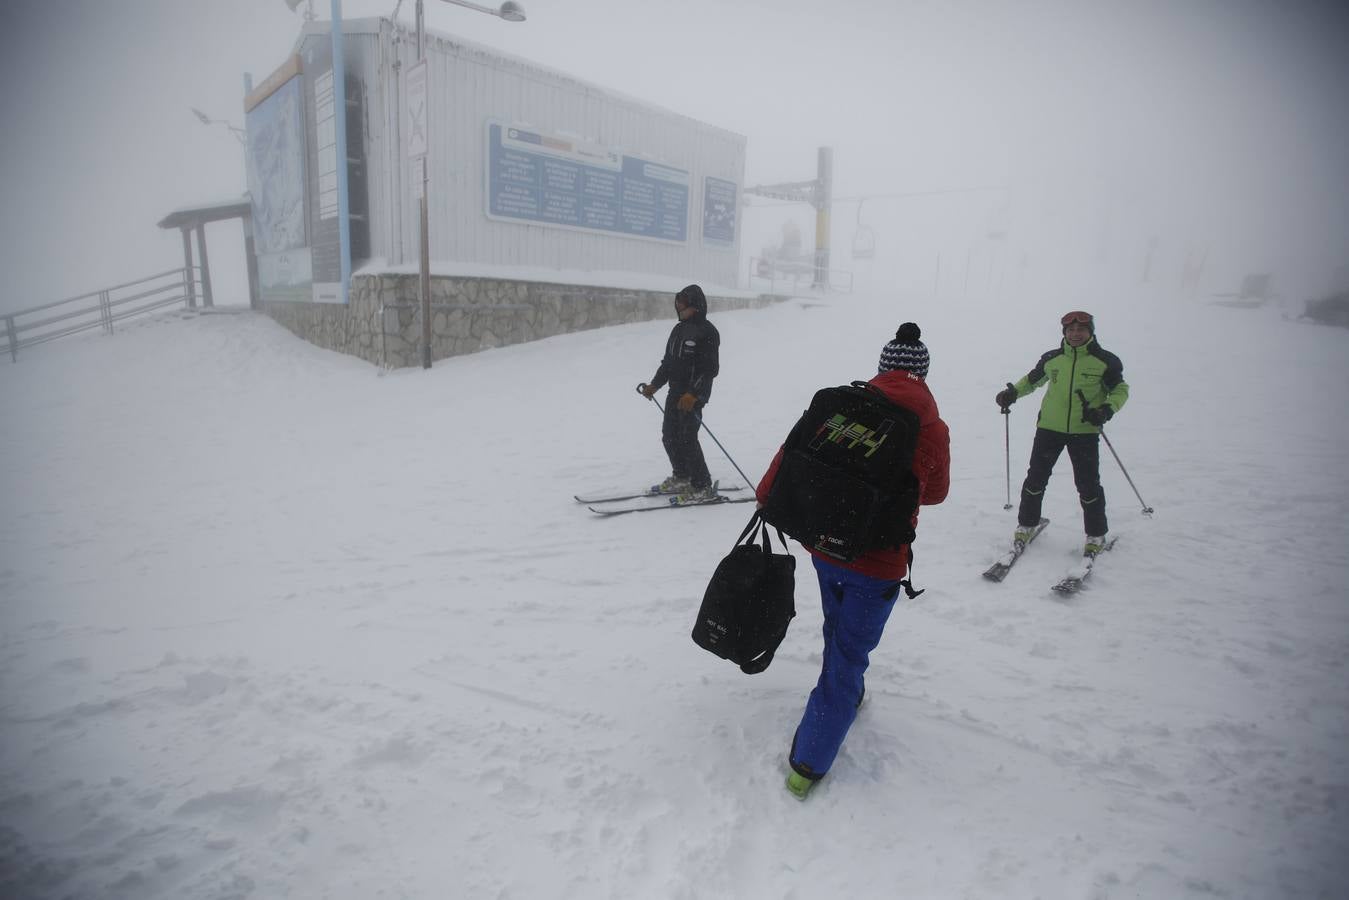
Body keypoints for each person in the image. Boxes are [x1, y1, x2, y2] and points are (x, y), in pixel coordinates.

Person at [755, 323, 950, 799]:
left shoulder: (844, 406)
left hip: (825, 548)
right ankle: (807, 766)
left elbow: (785, 463)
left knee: (836, 631)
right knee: (848, 658)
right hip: (878, 564)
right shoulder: (931, 426)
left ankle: (846, 691)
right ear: (922, 375)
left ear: (883, 368)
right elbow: (939, 492)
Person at [995, 310, 1129, 555]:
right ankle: (1026, 524)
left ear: (1090, 332)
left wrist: (1105, 410)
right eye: (1071, 330)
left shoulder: (1105, 361)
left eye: (1081, 330)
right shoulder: (1053, 358)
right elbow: (1032, 380)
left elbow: (1120, 390)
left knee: (1088, 485)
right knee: (1035, 479)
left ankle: (1096, 534)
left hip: (1084, 432)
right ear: (1064, 332)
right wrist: (1012, 393)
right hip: (1049, 428)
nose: (1075, 334)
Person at [638, 284, 721, 501]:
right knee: (670, 436)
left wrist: (693, 394)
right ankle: (682, 475)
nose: (679, 308)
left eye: (683, 304)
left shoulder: (708, 331)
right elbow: (668, 363)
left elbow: (710, 369)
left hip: (693, 396)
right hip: (675, 393)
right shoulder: (678, 330)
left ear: (695, 305)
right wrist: (654, 385)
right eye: (678, 304)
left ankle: (702, 485)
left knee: (687, 438)